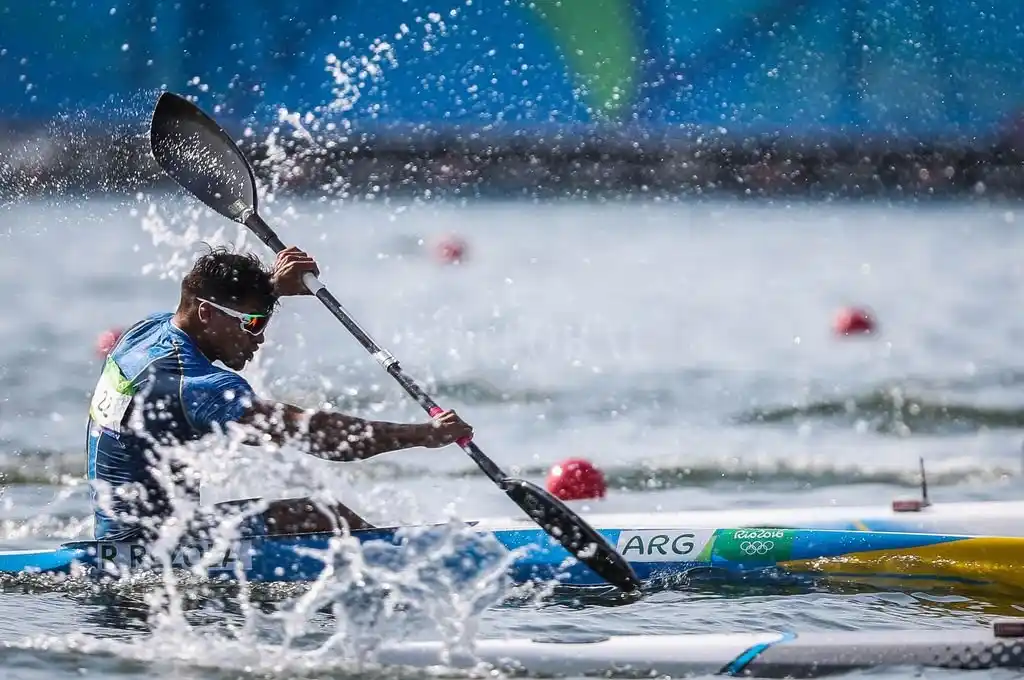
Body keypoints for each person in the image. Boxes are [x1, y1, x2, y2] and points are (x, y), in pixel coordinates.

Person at [87, 244, 473, 543]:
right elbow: (320, 435)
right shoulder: (199, 385)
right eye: (252, 323)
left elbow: (214, 301)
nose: (260, 338)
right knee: (321, 515)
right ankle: (397, 562)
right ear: (206, 314)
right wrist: (424, 435)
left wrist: (272, 286)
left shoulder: (147, 332)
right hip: (154, 548)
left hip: (120, 534)